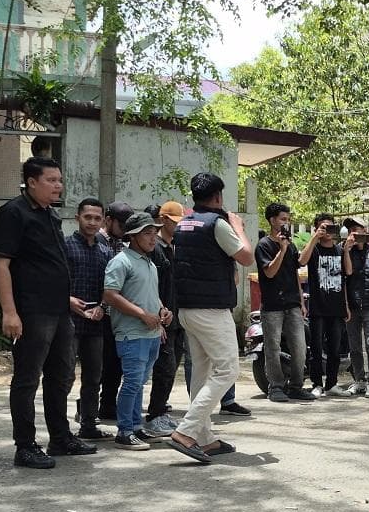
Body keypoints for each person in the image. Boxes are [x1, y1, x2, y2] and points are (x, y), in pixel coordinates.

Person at [0, 156, 96, 469]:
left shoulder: (50, 215)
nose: (58, 186)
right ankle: (24, 446)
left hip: (59, 310)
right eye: (51, 180)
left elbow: (50, 264)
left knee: (61, 374)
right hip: (31, 310)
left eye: (59, 180)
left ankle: (61, 438)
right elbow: (1, 264)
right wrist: (10, 312)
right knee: (27, 378)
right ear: (32, 182)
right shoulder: (12, 213)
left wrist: (67, 299)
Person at [164, 173, 256, 463]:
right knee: (227, 370)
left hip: (188, 308)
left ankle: (204, 438)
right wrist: (239, 227)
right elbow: (246, 257)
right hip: (211, 309)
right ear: (218, 196)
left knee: (202, 373)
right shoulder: (217, 224)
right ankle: (187, 431)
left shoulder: (184, 224)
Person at [103, 211, 170, 450]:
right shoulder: (121, 261)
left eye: (154, 233)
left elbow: (150, 295)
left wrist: (163, 310)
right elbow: (110, 295)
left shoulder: (150, 262)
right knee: (132, 382)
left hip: (151, 333)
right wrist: (142, 315)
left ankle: (136, 427)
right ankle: (124, 431)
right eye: (147, 233)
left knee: (140, 382)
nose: (153, 238)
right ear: (132, 236)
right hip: (132, 333)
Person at [63, 197, 114, 440]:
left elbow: (111, 287)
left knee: (94, 376)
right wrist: (68, 300)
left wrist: (103, 307)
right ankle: (60, 428)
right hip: (68, 322)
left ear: (103, 220)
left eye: (97, 218)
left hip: (96, 323)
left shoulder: (106, 251)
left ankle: (89, 425)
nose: (92, 222)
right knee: (64, 376)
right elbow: (53, 282)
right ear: (77, 218)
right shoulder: (65, 246)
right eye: (88, 217)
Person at [256, 202, 316, 403]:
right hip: (272, 306)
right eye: (283, 219)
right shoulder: (264, 245)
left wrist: (301, 301)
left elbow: (297, 270)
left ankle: (296, 386)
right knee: (272, 347)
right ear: (272, 220)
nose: (286, 223)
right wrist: (281, 250)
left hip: (292, 304)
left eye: (288, 220)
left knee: (299, 346)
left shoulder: (290, 245)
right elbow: (270, 272)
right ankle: (276, 387)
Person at [144, 202, 186, 437]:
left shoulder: (174, 246)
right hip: (163, 317)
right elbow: (152, 286)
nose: (177, 226)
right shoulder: (156, 248)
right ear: (163, 220)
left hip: (178, 317)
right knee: (164, 367)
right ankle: (154, 415)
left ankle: (160, 412)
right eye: (173, 221)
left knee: (171, 367)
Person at [300, 213, 352, 397]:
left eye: (331, 227)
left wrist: (345, 305)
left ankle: (331, 384)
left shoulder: (339, 250)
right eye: (324, 227)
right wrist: (315, 238)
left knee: (335, 349)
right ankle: (317, 384)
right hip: (317, 306)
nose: (328, 231)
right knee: (315, 348)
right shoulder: (314, 249)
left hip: (337, 307)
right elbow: (301, 261)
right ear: (317, 229)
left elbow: (347, 272)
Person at [97, 201, 136, 420]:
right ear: (109, 220)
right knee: (100, 365)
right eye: (122, 225)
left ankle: (108, 405)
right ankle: (91, 406)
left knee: (115, 364)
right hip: (98, 312)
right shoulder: (100, 242)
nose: (125, 231)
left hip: (117, 314)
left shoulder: (122, 244)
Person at [343, 216, 369, 398]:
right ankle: (359, 380)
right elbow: (348, 273)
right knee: (354, 346)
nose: (355, 232)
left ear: (365, 231)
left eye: (358, 229)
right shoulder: (345, 250)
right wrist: (346, 251)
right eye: (351, 229)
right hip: (352, 304)